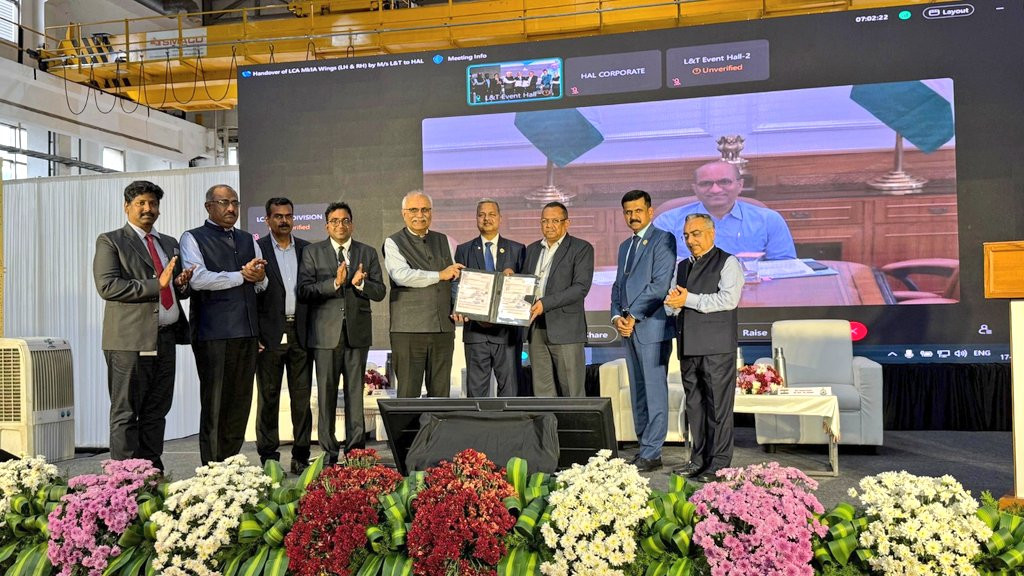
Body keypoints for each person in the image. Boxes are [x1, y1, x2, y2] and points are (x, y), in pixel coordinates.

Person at [93, 180, 194, 472]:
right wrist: (156, 285)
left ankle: (151, 469)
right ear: (127, 207)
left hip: (165, 338)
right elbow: (108, 286)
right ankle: (125, 477)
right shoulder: (111, 241)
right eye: (141, 203)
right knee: (126, 411)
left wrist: (180, 284)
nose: (148, 208)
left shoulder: (169, 243)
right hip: (129, 341)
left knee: (157, 409)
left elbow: (174, 290)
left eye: (153, 203)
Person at [181, 184, 268, 465]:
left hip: (247, 331)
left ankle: (231, 465)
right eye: (224, 203)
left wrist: (259, 277)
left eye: (235, 203)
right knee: (215, 403)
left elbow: (261, 284)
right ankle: (211, 468)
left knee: (240, 403)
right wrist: (241, 275)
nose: (231, 208)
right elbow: (198, 279)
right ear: (209, 207)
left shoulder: (248, 239)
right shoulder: (193, 238)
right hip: (213, 334)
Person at [299, 202, 386, 464]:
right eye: (335, 221)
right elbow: (305, 290)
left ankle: (356, 452)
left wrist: (361, 284)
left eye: (345, 220)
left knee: (354, 395)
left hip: (356, 335)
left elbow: (380, 292)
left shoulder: (367, 252)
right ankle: (328, 454)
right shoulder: (312, 252)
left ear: (352, 224)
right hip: (325, 335)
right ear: (327, 225)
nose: (340, 225)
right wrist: (335, 283)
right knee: (326, 396)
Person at [664, 213, 744, 483]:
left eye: (696, 234)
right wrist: (672, 305)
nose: (690, 240)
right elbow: (674, 301)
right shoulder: (682, 266)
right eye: (686, 235)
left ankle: (718, 465)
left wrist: (688, 300)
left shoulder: (728, 262)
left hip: (716, 348)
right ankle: (698, 460)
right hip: (688, 346)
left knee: (718, 409)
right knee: (695, 408)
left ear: (712, 233)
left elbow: (728, 300)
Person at [610, 190, 677, 473]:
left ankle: (652, 452)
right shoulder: (625, 246)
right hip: (628, 329)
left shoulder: (663, 239)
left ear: (650, 211)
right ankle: (644, 449)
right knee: (638, 391)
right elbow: (618, 286)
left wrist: (633, 315)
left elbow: (659, 286)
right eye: (628, 212)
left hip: (652, 327)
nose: (633, 216)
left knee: (654, 391)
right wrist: (617, 316)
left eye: (638, 210)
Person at [383, 191, 463, 398]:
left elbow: (455, 278)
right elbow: (401, 276)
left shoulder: (445, 240)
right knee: (408, 394)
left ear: (431, 212)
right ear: (404, 213)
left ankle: (437, 423)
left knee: (441, 395)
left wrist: (459, 306)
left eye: (425, 209)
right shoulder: (393, 242)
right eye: (413, 210)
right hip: (408, 331)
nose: (420, 214)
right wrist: (440, 275)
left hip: (443, 329)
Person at [255, 197, 312, 474]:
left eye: (288, 215)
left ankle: (301, 455)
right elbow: (250, 294)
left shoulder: (306, 249)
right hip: (269, 335)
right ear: (267, 220)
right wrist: (255, 333)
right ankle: (269, 458)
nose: (284, 220)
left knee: (302, 399)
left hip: (301, 333)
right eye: (278, 216)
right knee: (268, 398)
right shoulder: (258, 249)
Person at [453, 199, 526, 397]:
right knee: (476, 394)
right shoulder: (464, 250)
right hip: (476, 332)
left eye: (492, 214)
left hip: (507, 333)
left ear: (500, 218)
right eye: (482, 214)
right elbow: (456, 286)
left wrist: (514, 280)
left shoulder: (517, 249)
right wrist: (458, 308)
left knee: (510, 391)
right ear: (476, 218)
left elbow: (526, 290)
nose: (487, 218)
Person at [653, 160, 796, 260]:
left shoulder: (769, 220)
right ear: (695, 189)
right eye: (706, 183)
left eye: (725, 182)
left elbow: (785, 267)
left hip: (753, 291)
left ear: (740, 185)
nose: (715, 190)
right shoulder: (668, 222)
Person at [522, 202, 594, 397]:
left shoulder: (581, 248)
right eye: (545, 221)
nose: (549, 225)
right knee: (542, 392)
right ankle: (548, 420)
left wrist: (544, 304)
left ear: (566, 223)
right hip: (536, 328)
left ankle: (573, 420)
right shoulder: (532, 250)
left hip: (566, 329)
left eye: (555, 221)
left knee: (571, 392)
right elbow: (524, 284)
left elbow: (580, 288)